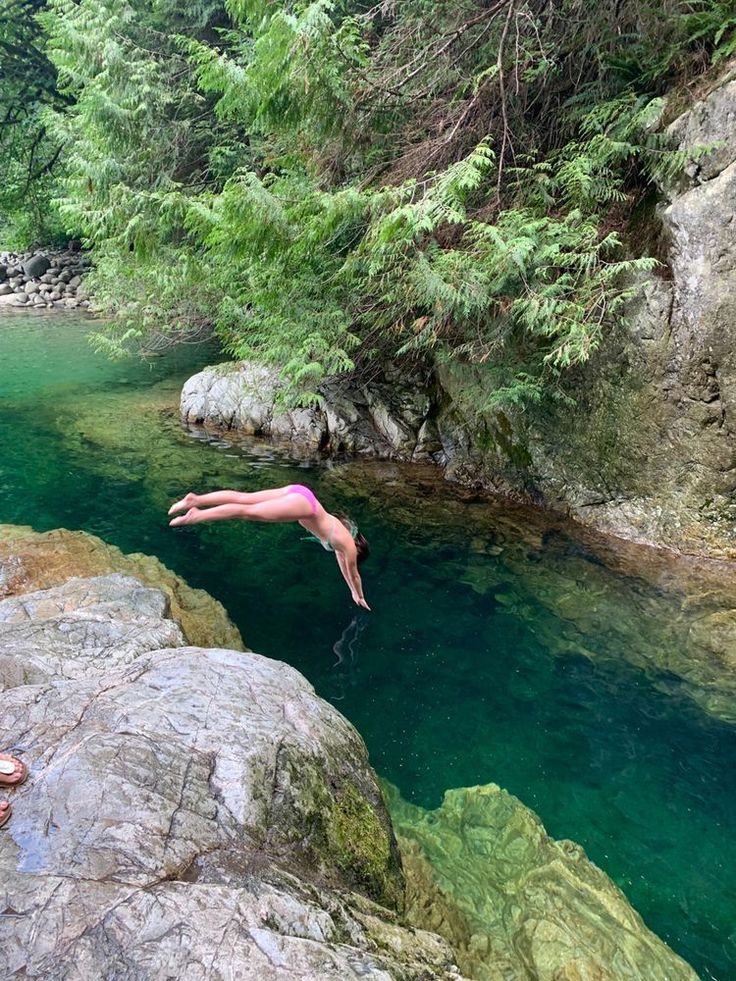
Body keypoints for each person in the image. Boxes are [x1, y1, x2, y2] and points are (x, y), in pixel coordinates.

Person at [168, 483, 371, 609]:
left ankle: (195, 499)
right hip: (304, 506)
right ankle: (197, 514)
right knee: (248, 511)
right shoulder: (349, 548)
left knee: (244, 498)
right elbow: (353, 574)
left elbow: (344, 568)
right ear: (357, 550)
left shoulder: (342, 542)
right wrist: (359, 594)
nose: (347, 559)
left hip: (301, 492)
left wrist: (352, 592)